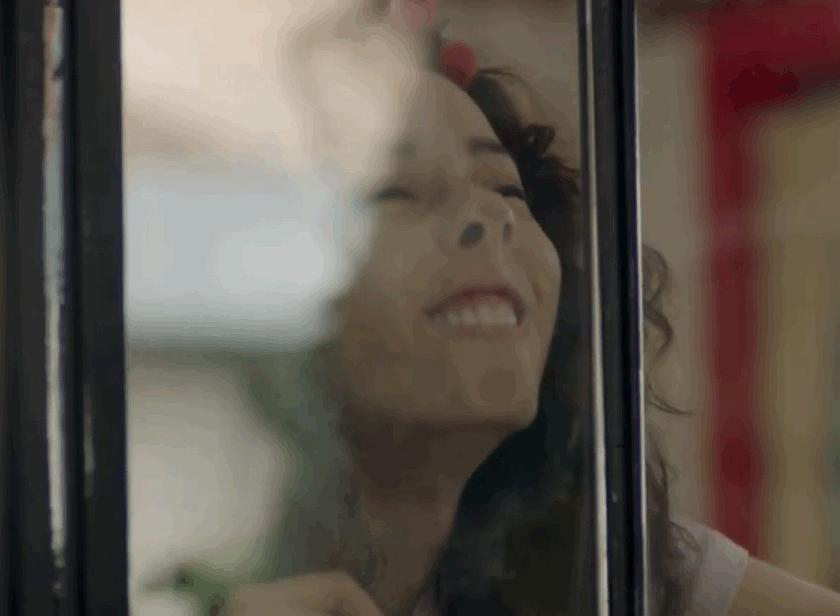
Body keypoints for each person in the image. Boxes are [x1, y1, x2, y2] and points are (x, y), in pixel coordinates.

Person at [224, 7, 840, 616]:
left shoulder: (630, 564)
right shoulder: (199, 567)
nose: (492, 216)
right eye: (396, 189)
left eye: (506, 187)